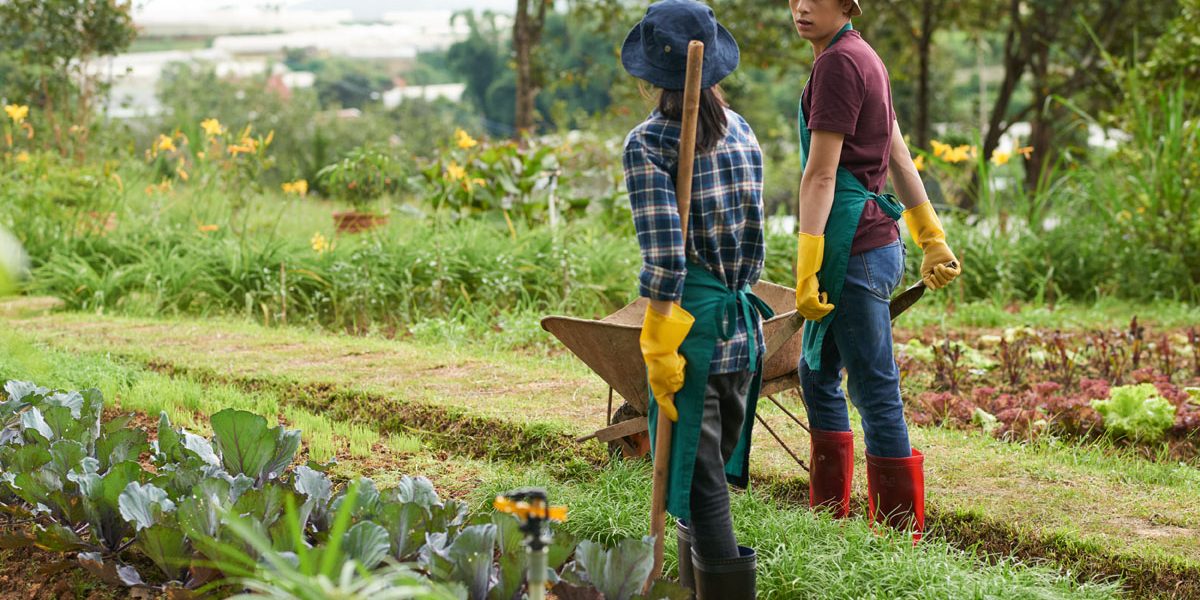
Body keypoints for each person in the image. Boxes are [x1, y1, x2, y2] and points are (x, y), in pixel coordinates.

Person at [789, 0, 962, 542]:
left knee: (873, 388)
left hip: (852, 249)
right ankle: (828, 517)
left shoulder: (839, 63)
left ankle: (896, 532)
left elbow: (820, 175)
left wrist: (808, 259)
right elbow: (899, 155)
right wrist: (928, 235)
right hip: (863, 244)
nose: (801, 6)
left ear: (846, 3)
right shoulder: (862, 55)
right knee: (816, 376)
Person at [622, 1, 769, 597]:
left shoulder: (648, 143)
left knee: (701, 482)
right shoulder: (742, 128)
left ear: (648, 74)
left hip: (694, 328)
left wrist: (658, 341)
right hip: (745, 327)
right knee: (700, 470)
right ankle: (692, 585)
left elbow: (664, 259)